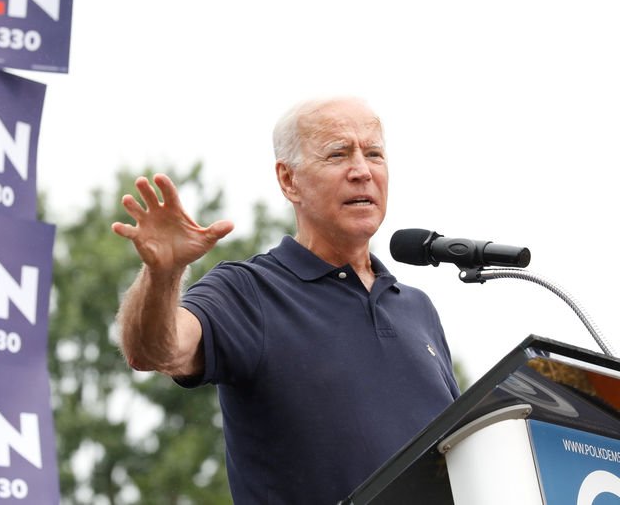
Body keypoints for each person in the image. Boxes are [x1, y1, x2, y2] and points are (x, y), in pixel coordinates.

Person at [112, 96, 460, 504]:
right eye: (338, 154)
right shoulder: (249, 291)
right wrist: (164, 273)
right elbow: (154, 350)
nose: (362, 171)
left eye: (374, 154)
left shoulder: (416, 309)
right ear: (289, 180)